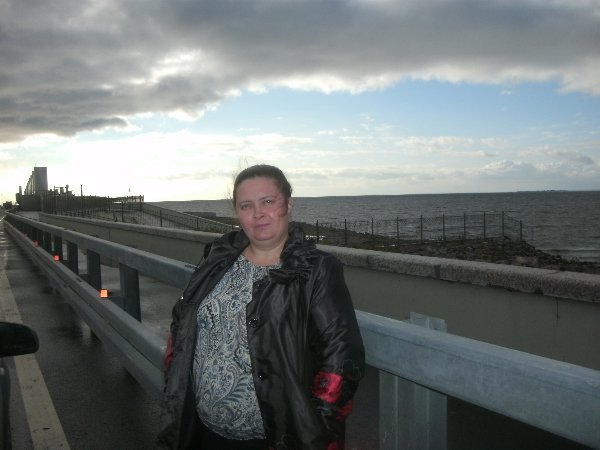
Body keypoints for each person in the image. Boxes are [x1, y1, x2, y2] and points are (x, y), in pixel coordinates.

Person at [157, 164, 365, 449]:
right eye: (246, 206)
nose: (258, 213)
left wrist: (313, 430)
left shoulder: (316, 270)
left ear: (288, 204)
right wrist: (174, 379)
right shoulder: (218, 258)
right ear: (237, 212)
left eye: (268, 201)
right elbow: (182, 322)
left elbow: (341, 360)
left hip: (274, 438)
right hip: (202, 430)